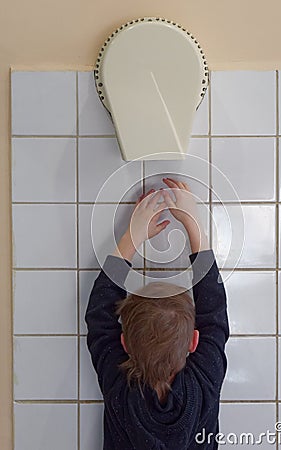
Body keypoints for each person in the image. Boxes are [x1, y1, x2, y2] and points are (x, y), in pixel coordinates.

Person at [85, 177, 230, 449]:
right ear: (193, 342)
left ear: (125, 343)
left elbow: (99, 314)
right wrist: (192, 224)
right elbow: (214, 310)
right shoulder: (203, 384)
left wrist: (132, 236)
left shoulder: (121, 389)